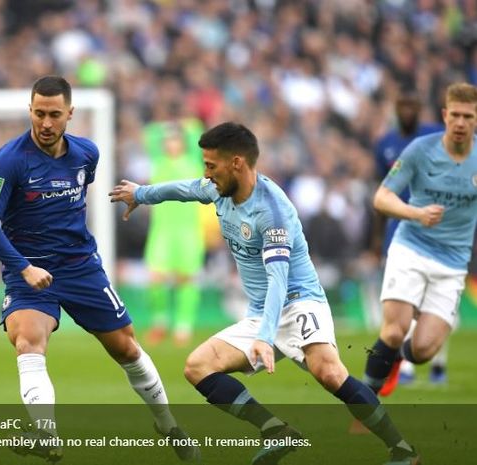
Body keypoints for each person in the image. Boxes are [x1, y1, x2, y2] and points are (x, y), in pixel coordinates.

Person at [110, 122, 420, 465]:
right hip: (261, 311)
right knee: (198, 366)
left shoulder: (271, 212)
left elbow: (278, 279)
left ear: (237, 163)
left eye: (212, 166)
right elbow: (185, 189)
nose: (206, 173)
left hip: (298, 300)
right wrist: (141, 194)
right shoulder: (219, 188)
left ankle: (402, 451)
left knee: (329, 373)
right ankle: (277, 431)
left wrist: (264, 336)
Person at [0, 75, 198, 462]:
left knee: (126, 348)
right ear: (30, 110)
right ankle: (46, 436)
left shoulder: (86, 154)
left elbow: (77, 196)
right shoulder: (10, 159)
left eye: (54, 115)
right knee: (28, 340)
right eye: (39, 113)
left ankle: (168, 424)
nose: (45, 123)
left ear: (70, 114)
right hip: (30, 271)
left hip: (80, 267)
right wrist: (23, 267)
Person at [363, 82, 477, 399]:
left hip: (452, 262)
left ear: (476, 119)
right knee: (394, 328)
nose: (460, 123)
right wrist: (415, 213)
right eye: (455, 115)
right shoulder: (420, 150)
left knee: (424, 349)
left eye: (468, 116)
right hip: (411, 247)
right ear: (444, 115)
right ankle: (363, 406)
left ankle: (399, 357)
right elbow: (381, 197)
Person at [373, 91, 447, 393]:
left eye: (412, 105)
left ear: (420, 108)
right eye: (402, 104)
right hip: (397, 228)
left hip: (432, 226)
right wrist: (376, 238)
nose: (407, 110)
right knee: (402, 300)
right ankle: (402, 365)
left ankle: (438, 361)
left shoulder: (434, 136)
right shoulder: (384, 144)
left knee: (434, 300)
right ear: (395, 107)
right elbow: (381, 190)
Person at [141, 119, 206, 347]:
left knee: (185, 280)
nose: (172, 143)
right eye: (169, 139)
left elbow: (196, 130)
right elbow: (150, 133)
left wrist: (182, 125)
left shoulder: (194, 163)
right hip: (162, 231)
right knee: (156, 277)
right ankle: (159, 322)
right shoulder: (158, 162)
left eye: (176, 139)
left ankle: (183, 327)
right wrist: (169, 125)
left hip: (188, 231)